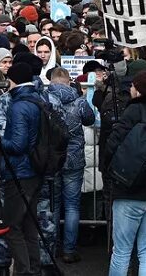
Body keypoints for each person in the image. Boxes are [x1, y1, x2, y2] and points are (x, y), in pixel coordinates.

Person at [101, 69, 146, 276]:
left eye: (134, 85)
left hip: (129, 190)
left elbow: (112, 145)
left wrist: (112, 172)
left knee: (122, 251)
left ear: (141, 90)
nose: (131, 88)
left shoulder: (133, 112)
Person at [44, 66, 95, 263]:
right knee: (72, 205)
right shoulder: (78, 101)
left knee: (54, 204)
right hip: (74, 158)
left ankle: (52, 246)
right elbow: (89, 119)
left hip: (52, 158)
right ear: (68, 81)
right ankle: (69, 250)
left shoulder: (45, 99)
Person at [0, 61, 44, 276]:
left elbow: (18, 144)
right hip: (34, 169)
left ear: (13, 79)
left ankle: (25, 271)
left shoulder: (18, 106)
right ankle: (33, 269)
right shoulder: (37, 99)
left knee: (13, 227)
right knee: (29, 227)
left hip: (19, 171)